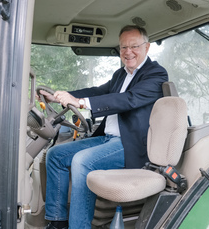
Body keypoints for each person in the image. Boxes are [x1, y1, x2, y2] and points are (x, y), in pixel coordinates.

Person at [40, 25, 168, 229]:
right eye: (123, 47)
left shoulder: (156, 74)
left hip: (131, 145)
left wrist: (81, 102)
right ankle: (57, 222)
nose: (128, 52)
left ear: (147, 47)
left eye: (134, 46)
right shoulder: (120, 74)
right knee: (55, 155)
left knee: (82, 161)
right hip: (108, 139)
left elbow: (129, 99)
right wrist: (59, 96)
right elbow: (98, 91)